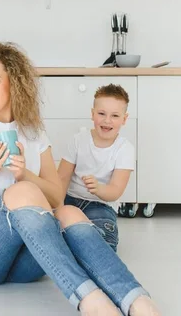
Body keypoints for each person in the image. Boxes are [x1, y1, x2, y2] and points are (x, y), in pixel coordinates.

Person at [0, 41, 160, 316]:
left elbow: (55, 197)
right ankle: (92, 302)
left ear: (14, 83)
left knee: (68, 211)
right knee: (23, 193)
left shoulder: (31, 131)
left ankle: (137, 301)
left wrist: (23, 173)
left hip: (18, 261)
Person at [57, 84, 134, 252]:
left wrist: (98, 189)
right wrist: (57, 208)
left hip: (100, 205)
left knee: (105, 245)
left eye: (115, 115)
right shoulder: (77, 141)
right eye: (101, 114)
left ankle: (81, 244)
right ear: (92, 114)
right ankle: (70, 239)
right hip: (71, 200)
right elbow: (61, 179)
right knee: (52, 230)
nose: (107, 120)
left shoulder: (125, 149)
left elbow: (115, 191)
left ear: (124, 119)